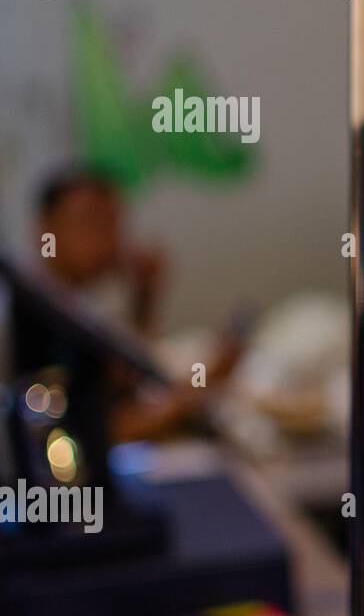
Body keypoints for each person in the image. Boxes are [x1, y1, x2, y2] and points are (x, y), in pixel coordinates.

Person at [31, 166, 239, 443]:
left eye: (114, 223)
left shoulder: (77, 306)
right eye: (92, 222)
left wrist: (145, 298)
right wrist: (196, 391)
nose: (109, 239)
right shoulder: (36, 316)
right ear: (46, 229)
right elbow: (91, 434)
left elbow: (124, 380)